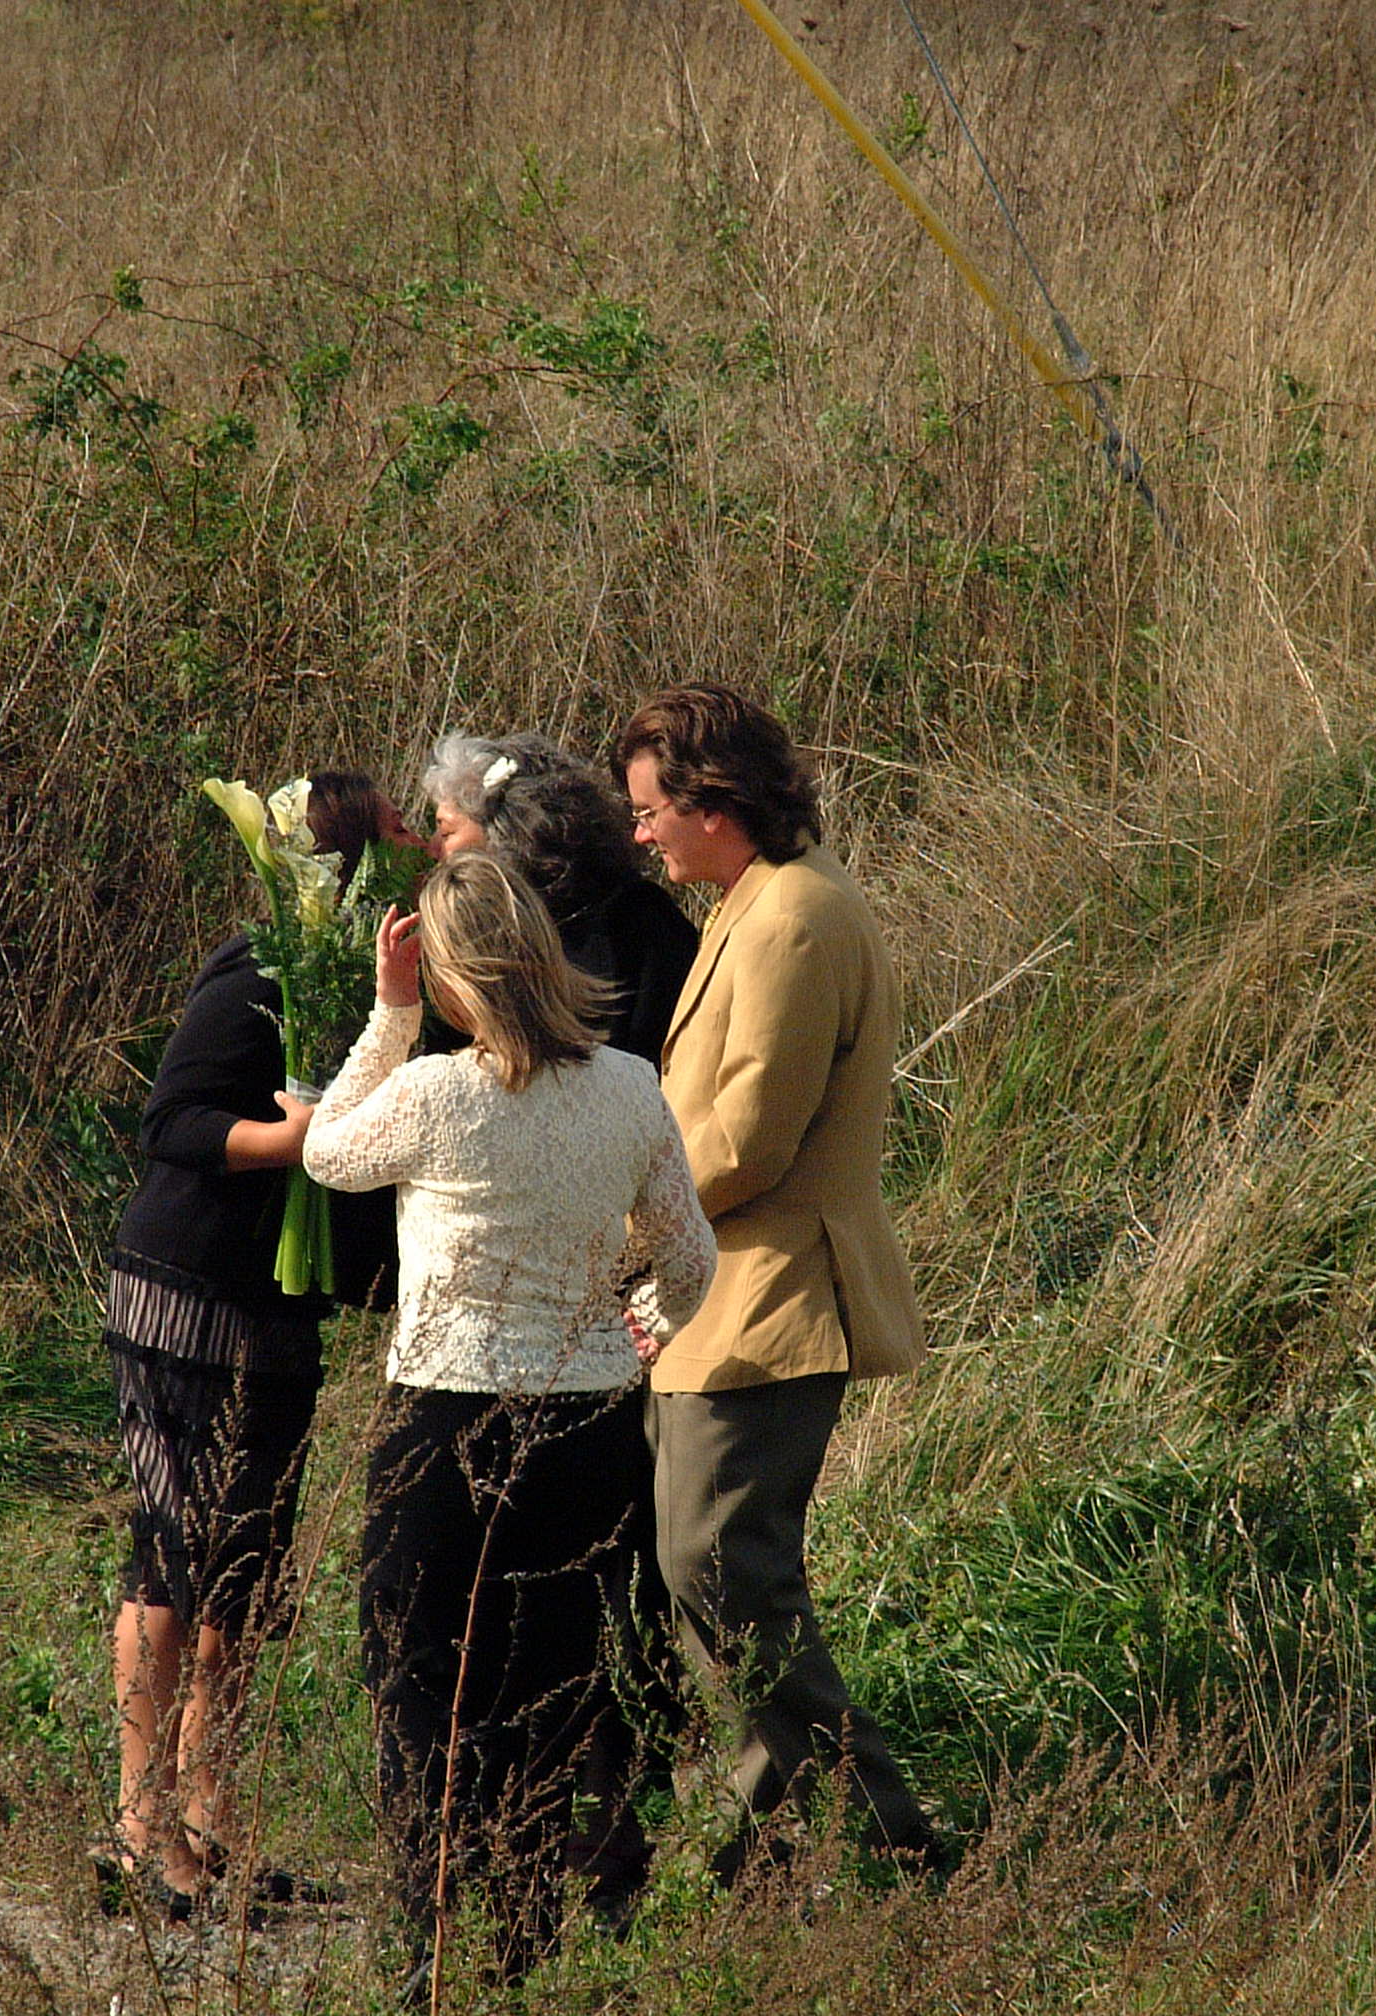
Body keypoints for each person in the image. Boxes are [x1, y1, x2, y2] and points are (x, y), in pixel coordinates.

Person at [302, 851, 716, 1989]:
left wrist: (389, 1016)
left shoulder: (436, 1094)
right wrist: (635, 1330)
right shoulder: (630, 1084)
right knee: (553, 1688)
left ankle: (427, 1943)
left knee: (423, 1687)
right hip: (588, 1432)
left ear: (449, 978)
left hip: (446, 1425)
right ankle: (525, 1942)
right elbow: (691, 1262)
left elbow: (326, 1150)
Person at [615, 683, 952, 1884]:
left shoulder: (793, 919)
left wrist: (620, 1238)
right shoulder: (755, 902)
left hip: (768, 1300)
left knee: (718, 1571)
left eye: (649, 811)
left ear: (712, 802)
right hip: (724, 1296)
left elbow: (749, 1139)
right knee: (717, 1579)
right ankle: (752, 1853)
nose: (638, 834)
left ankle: (895, 1844)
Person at [99, 769, 413, 1919]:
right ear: (351, 862)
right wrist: (293, 1144)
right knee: (178, 1554)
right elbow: (172, 1122)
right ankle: (139, 1832)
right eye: (399, 832)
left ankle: (210, 1821)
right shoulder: (262, 970)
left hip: (276, 1310)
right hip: (185, 1295)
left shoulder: (361, 980)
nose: (423, 846)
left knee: (246, 1568)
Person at [422, 733, 701, 1063]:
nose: (433, 849)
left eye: (446, 832)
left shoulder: (638, 921)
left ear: (506, 830)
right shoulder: (471, 939)